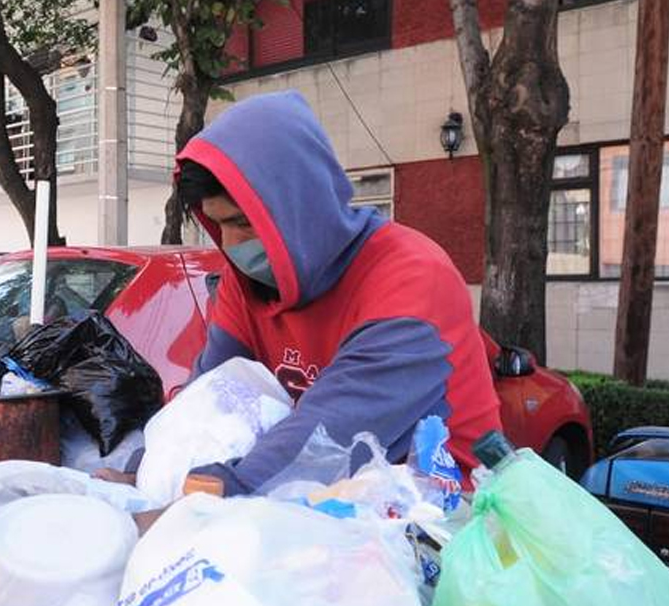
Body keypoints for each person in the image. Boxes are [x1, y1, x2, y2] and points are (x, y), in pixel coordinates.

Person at [99, 90, 502, 504]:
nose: (233, 243)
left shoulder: (411, 279)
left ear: (300, 206)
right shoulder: (247, 285)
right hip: (326, 509)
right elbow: (207, 397)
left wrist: (202, 501)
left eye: (243, 222)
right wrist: (146, 471)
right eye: (219, 225)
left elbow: (328, 438)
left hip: (444, 517)